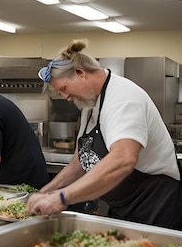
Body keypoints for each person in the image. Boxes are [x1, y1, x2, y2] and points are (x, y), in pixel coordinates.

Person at [27, 39, 182, 230]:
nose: (66, 97)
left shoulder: (122, 99)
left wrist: (62, 197)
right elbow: (80, 163)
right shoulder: (90, 104)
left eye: (64, 89)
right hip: (124, 208)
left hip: (155, 207)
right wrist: (47, 192)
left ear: (80, 73)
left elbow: (123, 158)